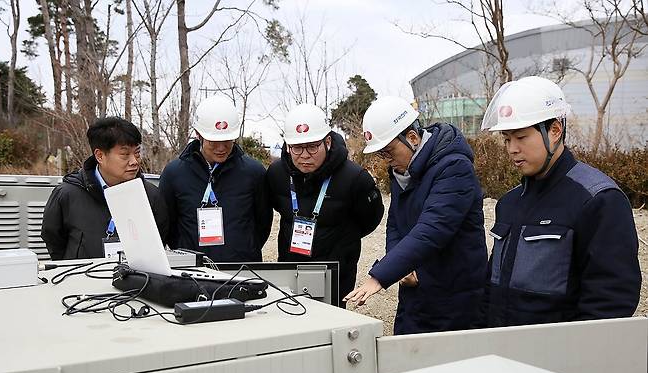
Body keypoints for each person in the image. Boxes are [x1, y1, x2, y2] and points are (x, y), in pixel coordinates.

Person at [476, 76, 641, 327]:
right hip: (503, 351)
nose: (512, 148)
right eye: (507, 139)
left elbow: (610, 302)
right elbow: (493, 287)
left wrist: (572, 357)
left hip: (559, 357)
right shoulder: (509, 203)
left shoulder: (598, 200)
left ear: (554, 131)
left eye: (521, 137)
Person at [344, 96, 487, 334]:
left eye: (389, 152)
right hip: (416, 292)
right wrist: (402, 268)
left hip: (455, 295)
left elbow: (433, 228)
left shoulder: (454, 167)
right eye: (381, 156)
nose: (387, 162)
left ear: (412, 138)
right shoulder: (403, 171)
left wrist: (380, 276)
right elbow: (396, 225)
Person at [266, 103, 384, 300]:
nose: (304, 155)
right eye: (296, 148)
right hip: (289, 265)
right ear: (287, 146)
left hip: (336, 271)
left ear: (327, 141)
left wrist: (341, 241)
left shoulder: (355, 178)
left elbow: (369, 220)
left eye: (312, 147)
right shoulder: (276, 173)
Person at [158, 95, 272, 262]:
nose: (221, 148)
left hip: (242, 270)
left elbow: (263, 223)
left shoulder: (253, 172)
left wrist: (245, 249)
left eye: (227, 141)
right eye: (214, 141)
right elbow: (169, 226)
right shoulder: (174, 173)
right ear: (198, 135)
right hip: (193, 273)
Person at [41, 117, 168, 260]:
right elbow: (52, 237)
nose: (134, 161)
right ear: (100, 156)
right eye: (125, 155)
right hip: (80, 278)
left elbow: (159, 240)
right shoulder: (67, 194)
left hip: (135, 280)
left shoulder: (151, 196)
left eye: (137, 153)